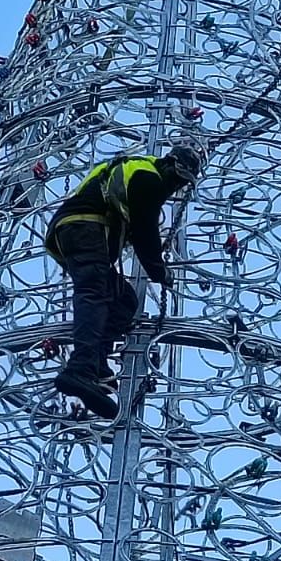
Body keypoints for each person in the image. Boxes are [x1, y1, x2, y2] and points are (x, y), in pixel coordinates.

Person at [43, 146, 201, 417]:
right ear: (169, 164)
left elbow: (138, 224)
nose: (176, 186)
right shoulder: (148, 178)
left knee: (123, 300)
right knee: (94, 291)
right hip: (84, 228)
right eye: (179, 178)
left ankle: (96, 365)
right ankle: (80, 370)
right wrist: (159, 272)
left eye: (183, 183)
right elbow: (144, 230)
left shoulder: (139, 171)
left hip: (78, 232)